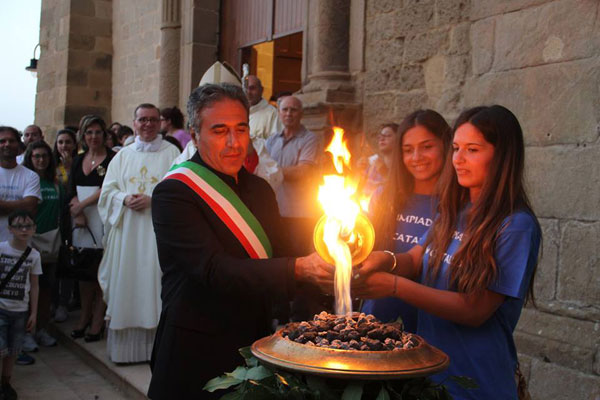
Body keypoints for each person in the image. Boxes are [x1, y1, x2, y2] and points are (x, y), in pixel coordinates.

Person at [148, 83, 333, 399]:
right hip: (195, 347)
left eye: (241, 129)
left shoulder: (260, 190)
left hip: (253, 342)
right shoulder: (174, 193)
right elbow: (213, 270)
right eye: (219, 131)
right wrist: (300, 269)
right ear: (194, 135)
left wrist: (332, 263)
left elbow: (283, 255)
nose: (234, 143)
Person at [354, 105, 542, 399]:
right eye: (456, 148)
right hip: (431, 375)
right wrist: (383, 260)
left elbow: (476, 309)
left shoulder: (515, 226)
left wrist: (393, 285)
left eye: (472, 149)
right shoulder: (455, 211)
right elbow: (416, 259)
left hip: (476, 379)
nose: (458, 159)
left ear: (502, 155)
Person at [98, 104, 179, 363]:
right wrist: (122, 198)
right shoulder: (122, 155)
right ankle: (126, 351)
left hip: (158, 234)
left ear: (160, 123)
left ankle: (157, 350)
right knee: (128, 280)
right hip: (128, 234)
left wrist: (154, 199)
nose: (147, 124)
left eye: (153, 120)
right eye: (142, 119)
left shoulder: (172, 153)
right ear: (134, 123)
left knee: (155, 282)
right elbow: (107, 192)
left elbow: (180, 190)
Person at [362, 111, 451, 332]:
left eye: (427, 147)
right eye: (408, 150)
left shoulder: (455, 204)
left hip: (431, 316)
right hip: (380, 312)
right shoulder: (383, 196)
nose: (416, 157)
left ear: (446, 146)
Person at [67, 116, 115, 342]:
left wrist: (82, 208)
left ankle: (98, 320)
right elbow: (71, 187)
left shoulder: (113, 158)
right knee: (84, 272)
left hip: (102, 218)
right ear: (83, 136)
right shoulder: (78, 161)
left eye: (97, 132)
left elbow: (107, 188)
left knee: (101, 271)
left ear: (104, 135)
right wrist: (76, 211)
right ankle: (84, 315)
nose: (93, 137)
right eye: (89, 133)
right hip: (80, 221)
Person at [0, 127, 41, 365]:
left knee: (17, 300)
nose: (6, 144)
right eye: (2, 141)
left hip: (18, 250)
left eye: (11, 141)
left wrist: (5, 205)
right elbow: (22, 205)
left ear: (19, 145)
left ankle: (15, 350)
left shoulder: (30, 176)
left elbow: (30, 207)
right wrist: (17, 205)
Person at [22, 141, 61, 348]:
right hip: (31, 242)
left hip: (50, 242)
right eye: (36, 156)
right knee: (28, 290)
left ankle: (42, 329)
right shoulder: (27, 181)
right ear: (30, 158)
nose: (41, 160)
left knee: (46, 289)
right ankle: (26, 332)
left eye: (44, 156)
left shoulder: (54, 183)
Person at [0, 210, 42, 399]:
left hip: (20, 311)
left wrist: (33, 313)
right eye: (19, 226)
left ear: (34, 229)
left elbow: (34, 285)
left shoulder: (34, 256)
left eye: (28, 226)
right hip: (1, 308)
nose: (24, 230)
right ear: (10, 229)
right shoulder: (2, 249)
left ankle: (6, 383)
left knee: (13, 350)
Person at [52, 129, 78, 323]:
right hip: (54, 219)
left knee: (68, 261)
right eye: (60, 142)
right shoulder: (51, 165)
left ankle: (64, 302)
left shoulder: (78, 164)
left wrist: (70, 168)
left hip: (72, 219)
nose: (64, 146)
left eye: (68, 142)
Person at [361, 123, 399, 196]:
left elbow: (398, 190)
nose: (382, 139)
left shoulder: (403, 167)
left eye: (388, 135)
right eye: (380, 136)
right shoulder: (372, 167)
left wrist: (383, 171)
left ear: (398, 139)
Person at [245, 75, 281, 141]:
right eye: (245, 88)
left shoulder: (272, 114)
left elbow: (276, 144)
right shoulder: (235, 112)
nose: (248, 92)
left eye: (252, 88)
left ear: (261, 90)